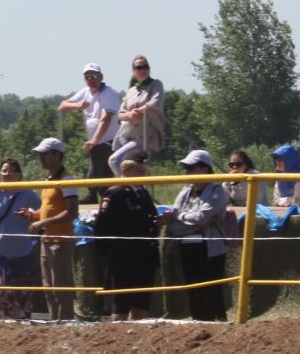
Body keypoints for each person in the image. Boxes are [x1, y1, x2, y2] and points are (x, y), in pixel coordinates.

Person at [93, 143, 161, 320]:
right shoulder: (115, 193)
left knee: (141, 303)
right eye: (139, 172)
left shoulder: (143, 194)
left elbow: (148, 221)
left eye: (144, 172)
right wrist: (111, 255)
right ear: (126, 172)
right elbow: (102, 227)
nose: (143, 176)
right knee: (120, 305)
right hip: (123, 258)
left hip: (144, 257)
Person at [165, 149, 231, 321]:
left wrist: (180, 218)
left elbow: (202, 216)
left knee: (211, 290)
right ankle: (199, 322)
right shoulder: (185, 191)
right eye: (185, 168)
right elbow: (174, 225)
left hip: (210, 248)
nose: (186, 172)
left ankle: (219, 325)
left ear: (205, 168)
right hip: (188, 246)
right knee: (193, 290)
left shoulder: (217, 191)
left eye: (190, 167)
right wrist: (196, 226)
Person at [20, 137, 81, 319]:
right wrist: (33, 215)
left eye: (44, 155)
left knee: (61, 289)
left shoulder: (66, 179)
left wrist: (42, 223)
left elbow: (72, 212)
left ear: (57, 155)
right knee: (49, 289)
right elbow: (49, 211)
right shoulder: (49, 179)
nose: (40, 159)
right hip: (48, 240)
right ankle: (54, 325)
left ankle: (65, 325)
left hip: (60, 242)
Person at [0, 157, 42, 320]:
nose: (7, 174)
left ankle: (22, 325)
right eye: (4, 171)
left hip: (23, 251)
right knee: (1, 295)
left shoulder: (29, 194)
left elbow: (42, 212)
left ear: (19, 175)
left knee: (23, 295)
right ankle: (3, 327)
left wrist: (31, 216)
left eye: (12, 171)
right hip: (1, 252)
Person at [58, 64, 120, 202]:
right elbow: (62, 106)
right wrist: (77, 105)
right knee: (105, 174)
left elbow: (106, 119)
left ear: (101, 77)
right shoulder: (85, 92)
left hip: (110, 140)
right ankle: (107, 198)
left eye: (94, 76)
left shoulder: (109, 94)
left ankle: (92, 194)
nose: (91, 79)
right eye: (88, 76)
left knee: (97, 160)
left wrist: (94, 141)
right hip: (97, 141)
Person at [114, 55, 167, 160]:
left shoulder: (156, 84)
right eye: (139, 68)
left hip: (145, 138)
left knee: (115, 160)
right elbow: (120, 114)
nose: (142, 70)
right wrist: (129, 115)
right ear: (134, 71)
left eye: (145, 67)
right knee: (129, 166)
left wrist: (138, 111)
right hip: (128, 137)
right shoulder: (131, 91)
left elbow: (155, 103)